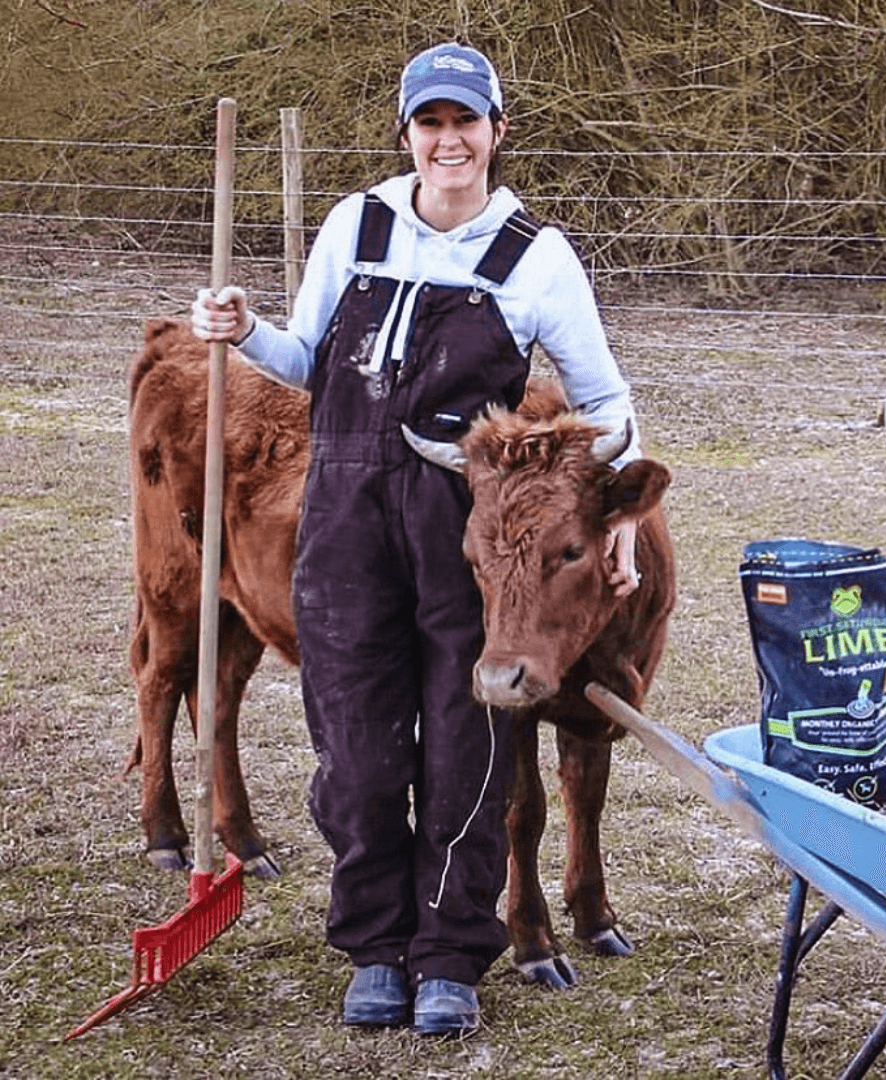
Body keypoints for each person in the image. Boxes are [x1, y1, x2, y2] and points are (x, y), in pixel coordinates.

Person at [191, 40, 642, 1036]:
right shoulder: (356, 224)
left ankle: (448, 956)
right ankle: (375, 946)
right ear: (408, 133)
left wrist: (621, 522)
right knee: (355, 747)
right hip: (344, 517)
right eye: (430, 122)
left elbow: (607, 400)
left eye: (465, 122)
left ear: (496, 132)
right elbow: (307, 361)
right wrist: (244, 329)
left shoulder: (535, 256)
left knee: (466, 747)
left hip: (466, 532)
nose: (449, 141)